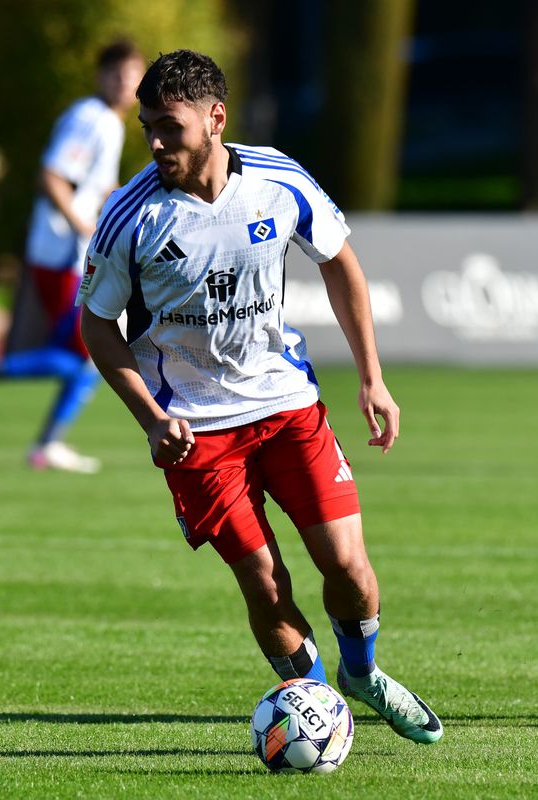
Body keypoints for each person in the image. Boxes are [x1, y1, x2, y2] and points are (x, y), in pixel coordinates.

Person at [77, 50, 441, 745]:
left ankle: (361, 672)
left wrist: (372, 376)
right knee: (267, 586)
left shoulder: (278, 179)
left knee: (350, 570)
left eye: (170, 128)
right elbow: (96, 323)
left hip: (286, 407)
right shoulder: (132, 216)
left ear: (216, 119)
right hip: (195, 432)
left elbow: (340, 263)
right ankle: (319, 710)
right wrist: (152, 420)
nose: (155, 142)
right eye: (148, 126)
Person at [0, 40, 146, 474]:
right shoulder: (91, 119)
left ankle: (46, 442)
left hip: (67, 253)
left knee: (86, 357)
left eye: (132, 76)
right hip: (60, 252)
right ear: (100, 77)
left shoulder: (107, 123)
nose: (125, 83)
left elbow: (92, 189)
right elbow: (53, 175)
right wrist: (83, 227)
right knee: (88, 354)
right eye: (117, 74)